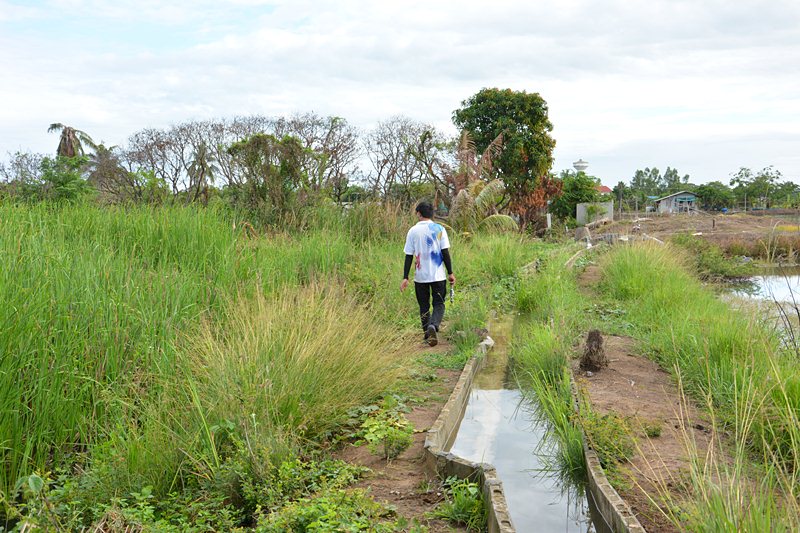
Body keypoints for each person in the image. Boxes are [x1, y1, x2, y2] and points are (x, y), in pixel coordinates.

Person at [400, 201, 455, 346]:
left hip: (420, 277)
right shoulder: (439, 229)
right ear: (432, 214)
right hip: (438, 275)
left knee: (423, 305)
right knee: (439, 303)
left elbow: (408, 255)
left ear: (419, 213)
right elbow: (445, 253)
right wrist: (450, 273)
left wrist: (405, 277)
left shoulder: (413, 231)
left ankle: (427, 334)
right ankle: (434, 326)